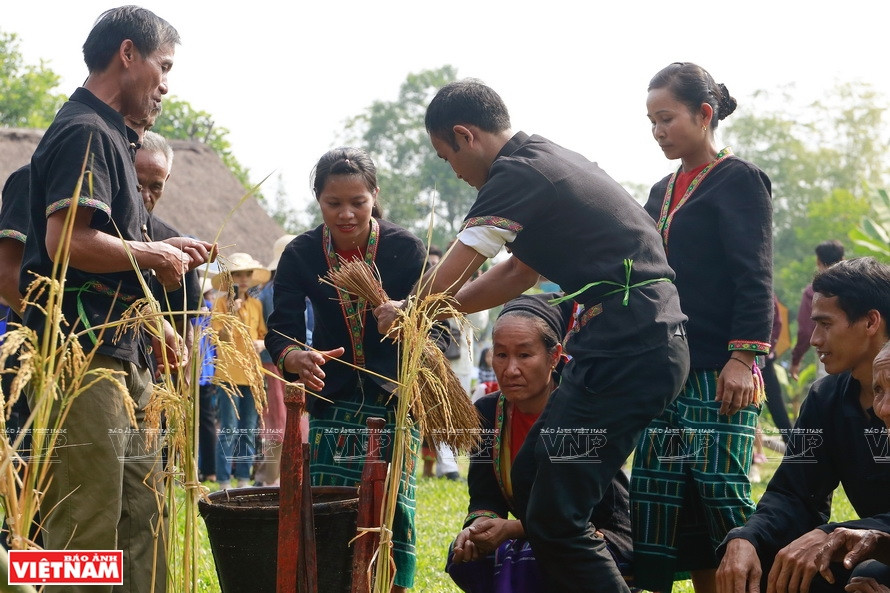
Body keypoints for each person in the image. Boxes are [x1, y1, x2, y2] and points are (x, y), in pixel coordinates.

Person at [374, 79, 689, 592]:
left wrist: (410, 309)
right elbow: (515, 274)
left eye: (445, 156)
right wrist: (423, 311)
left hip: (633, 344)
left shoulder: (517, 172)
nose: (452, 171)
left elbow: (461, 264)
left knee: (556, 518)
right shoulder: (543, 162)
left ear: (464, 135)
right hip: (622, 343)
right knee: (530, 472)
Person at [18, 7, 214, 593]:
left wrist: (159, 250)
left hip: (123, 359)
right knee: (86, 520)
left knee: (143, 513)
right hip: (82, 361)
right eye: (164, 65)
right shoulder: (84, 130)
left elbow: (110, 245)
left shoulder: (114, 139)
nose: (166, 84)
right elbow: (66, 239)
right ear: (127, 54)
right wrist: (156, 256)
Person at [630, 61, 774, 592]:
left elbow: (754, 274)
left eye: (667, 118)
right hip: (666, 369)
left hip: (719, 372)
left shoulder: (741, 181)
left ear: (705, 114)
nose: (658, 131)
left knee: (721, 493)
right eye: (652, 121)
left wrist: (744, 357)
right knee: (658, 495)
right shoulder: (660, 191)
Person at [265, 147, 427, 592]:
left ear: (375, 195)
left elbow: (442, 325)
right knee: (331, 506)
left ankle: (394, 586)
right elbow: (280, 331)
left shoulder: (405, 249)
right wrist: (295, 357)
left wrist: (407, 321)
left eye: (358, 202)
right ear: (318, 200)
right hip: (332, 397)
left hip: (394, 397)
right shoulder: (301, 254)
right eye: (334, 203)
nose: (347, 214)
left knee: (394, 507)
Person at [715, 257, 890, 593]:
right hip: (866, 547)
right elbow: (795, 492)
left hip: (877, 552)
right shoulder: (826, 397)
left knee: (866, 573)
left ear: (870, 322)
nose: (814, 340)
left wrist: (835, 533)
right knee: (769, 566)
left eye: (825, 324)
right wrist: (747, 537)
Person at [446, 293, 634, 593]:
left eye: (524, 355)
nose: (510, 370)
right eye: (501, 354)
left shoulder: (579, 412)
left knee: (536, 559)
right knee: (465, 556)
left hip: (595, 531)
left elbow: (584, 509)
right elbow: (484, 495)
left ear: (554, 356)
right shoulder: (486, 412)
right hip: (537, 533)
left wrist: (512, 529)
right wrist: (478, 526)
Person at [211, 252, 269, 490]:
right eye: (237, 274)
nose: (243, 279)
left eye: (247, 274)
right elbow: (219, 338)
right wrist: (231, 314)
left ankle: (244, 480)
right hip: (228, 374)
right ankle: (224, 482)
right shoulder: (220, 304)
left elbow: (264, 335)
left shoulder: (256, 304)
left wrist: (262, 344)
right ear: (229, 278)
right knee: (229, 429)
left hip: (253, 374)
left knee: (249, 428)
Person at [791, 240, 846, 380]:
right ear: (843, 259)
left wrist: (796, 359)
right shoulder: (859, 286)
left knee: (829, 394)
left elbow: (805, 331)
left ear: (818, 261)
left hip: (828, 354)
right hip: (862, 354)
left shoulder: (814, 292)